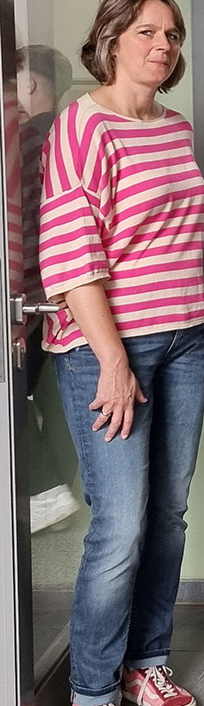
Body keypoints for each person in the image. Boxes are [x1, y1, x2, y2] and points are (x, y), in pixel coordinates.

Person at [38, 0, 204, 706]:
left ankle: (147, 662)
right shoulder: (82, 125)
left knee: (168, 515)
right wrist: (113, 360)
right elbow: (70, 257)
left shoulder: (174, 129)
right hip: (111, 348)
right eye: (147, 31)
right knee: (120, 524)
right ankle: (91, 695)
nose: (163, 46)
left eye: (172, 35)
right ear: (111, 39)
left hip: (188, 337)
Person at [17, 44, 82, 533]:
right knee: (59, 400)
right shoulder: (71, 135)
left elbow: (19, 226)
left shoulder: (23, 141)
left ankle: (44, 492)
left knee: (13, 393)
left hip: (30, 295)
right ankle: (55, 493)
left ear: (30, 84)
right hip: (69, 293)